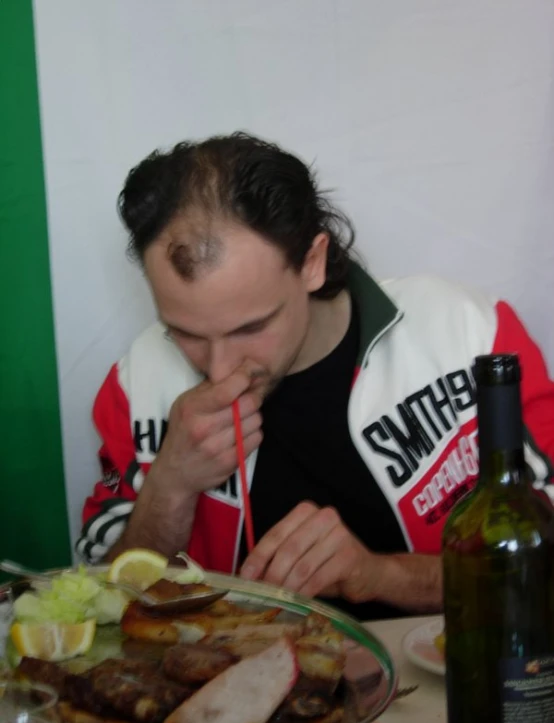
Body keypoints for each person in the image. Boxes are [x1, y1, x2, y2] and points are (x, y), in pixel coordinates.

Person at [76, 132, 554, 620]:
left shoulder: (470, 334)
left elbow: (545, 559)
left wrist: (381, 575)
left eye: (252, 327)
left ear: (311, 262)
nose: (219, 368)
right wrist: (169, 486)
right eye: (184, 332)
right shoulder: (136, 384)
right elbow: (96, 608)